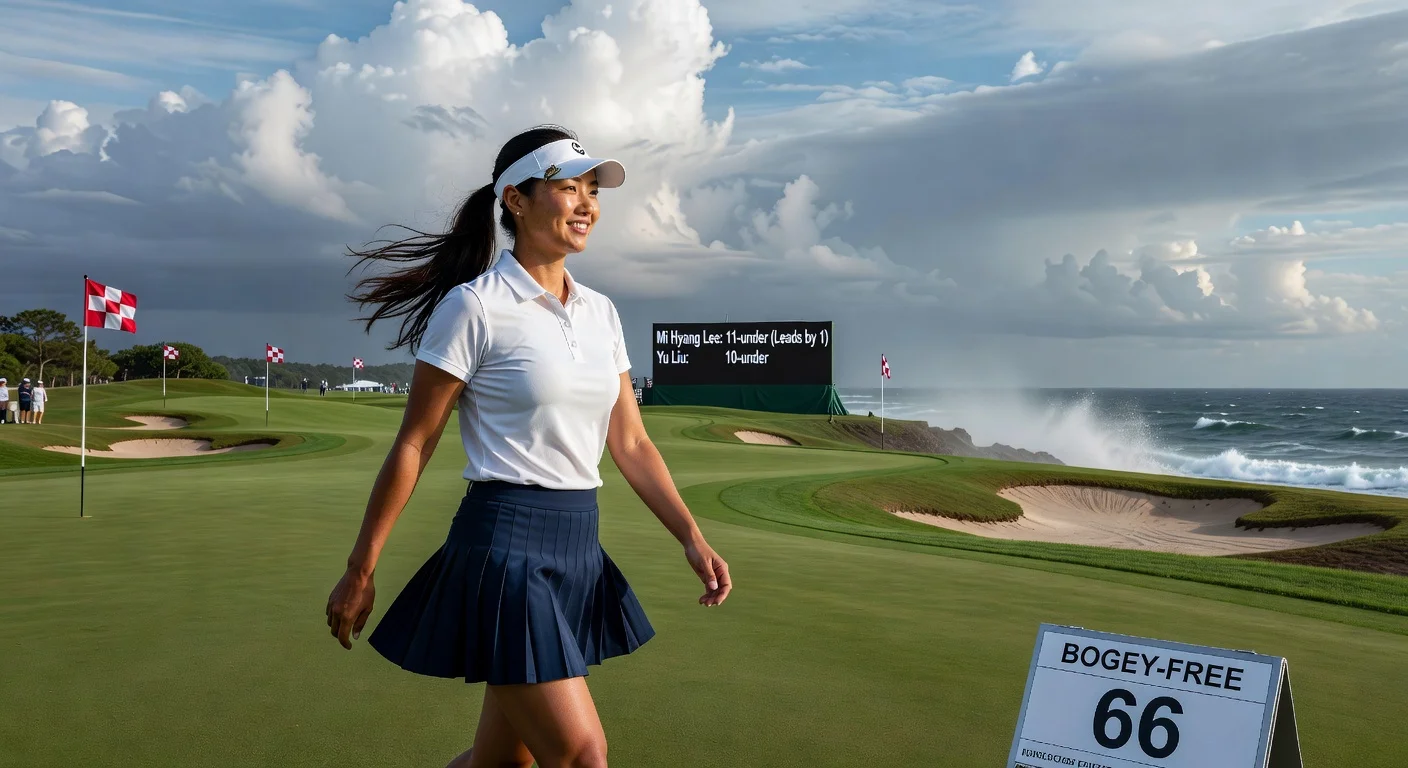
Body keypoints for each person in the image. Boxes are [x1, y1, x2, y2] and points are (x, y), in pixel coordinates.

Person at [326, 125, 731, 768]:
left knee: (499, 764)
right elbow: (416, 442)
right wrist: (361, 567)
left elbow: (630, 440)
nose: (587, 204)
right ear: (516, 200)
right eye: (568, 188)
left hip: (579, 547)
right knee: (579, 757)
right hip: (505, 549)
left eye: (592, 190)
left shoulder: (601, 312)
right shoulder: (474, 308)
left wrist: (690, 533)